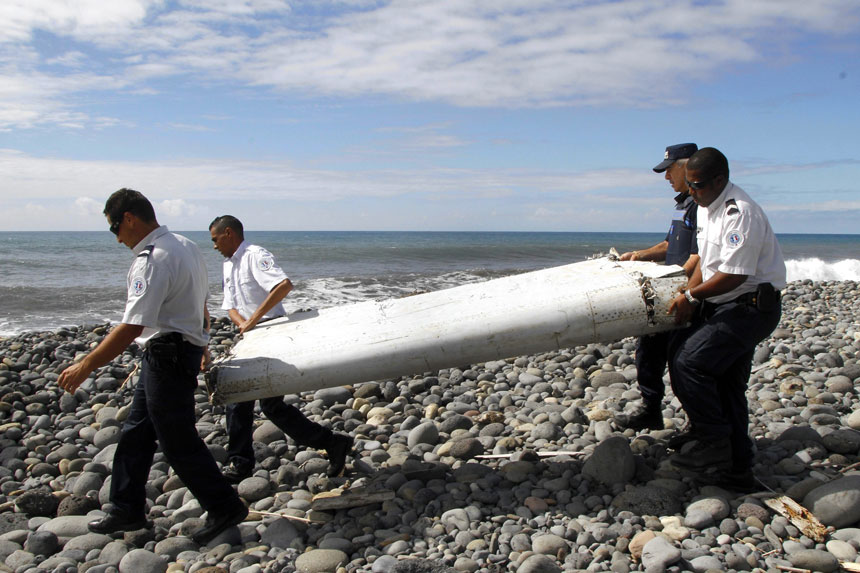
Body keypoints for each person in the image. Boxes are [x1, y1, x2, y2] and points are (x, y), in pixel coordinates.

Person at [58, 189, 247, 545]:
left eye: (116, 227)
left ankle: (224, 505)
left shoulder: (153, 258)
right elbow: (199, 300)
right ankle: (125, 507)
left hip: (168, 354)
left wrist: (86, 364)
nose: (117, 238)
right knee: (136, 432)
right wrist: (201, 342)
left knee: (177, 439)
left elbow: (132, 327)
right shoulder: (185, 246)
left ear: (130, 218)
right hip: (174, 350)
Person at [667, 147, 785, 490]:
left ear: (720, 180)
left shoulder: (740, 214)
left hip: (750, 308)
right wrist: (690, 294)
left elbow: (734, 274)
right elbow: (706, 258)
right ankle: (738, 469)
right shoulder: (707, 206)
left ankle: (713, 441)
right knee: (725, 383)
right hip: (725, 304)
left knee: (691, 363)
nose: (691, 192)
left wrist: (691, 296)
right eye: (689, 185)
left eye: (698, 185)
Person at [209, 215, 353, 482]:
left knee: (261, 402)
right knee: (250, 401)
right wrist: (243, 324)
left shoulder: (255, 255)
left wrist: (253, 321)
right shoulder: (228, 265)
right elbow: (229, 304)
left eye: (215, 239)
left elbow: (283, 285)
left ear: (228, 233)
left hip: (271, 331)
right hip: (250, 335)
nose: (214, 246)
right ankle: (330, 443)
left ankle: (241, 464)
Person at [617, 143, 700, 430]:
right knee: (648, 352)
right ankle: (651, 408)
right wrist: (638, 255)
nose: (666, 177)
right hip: (670, 291)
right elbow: (669, 245)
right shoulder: (682, 205)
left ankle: (697, 423)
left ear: (688, 167)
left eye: (669, 170)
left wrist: (683, 292)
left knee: (683, 362)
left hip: (688, 294)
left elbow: (699, 257)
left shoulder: (702, 206)